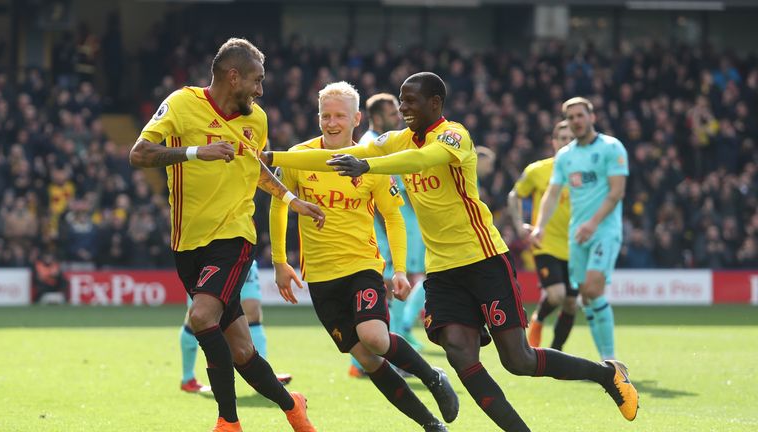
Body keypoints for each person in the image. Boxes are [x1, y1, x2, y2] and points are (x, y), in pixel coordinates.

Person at [262, 73, 638, 430]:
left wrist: (368, 164)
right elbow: (335, 156)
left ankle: (606, 374)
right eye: (401, 102)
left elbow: (422, 160)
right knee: (460, 354)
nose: (403, 109)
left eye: (410, 101)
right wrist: (274, 157)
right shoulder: (398, 139)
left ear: (435, 102)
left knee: (518, 360)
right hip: (441, 268)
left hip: (483, 257)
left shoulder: (454, 136)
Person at [129, 38, 324, 432]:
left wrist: (291, 198)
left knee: (202, 317)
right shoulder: (183, 104)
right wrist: (194, 152)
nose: (261, 90)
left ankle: (228, 422)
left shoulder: (258, 120)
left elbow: (257, 170)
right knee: (241, 351)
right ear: (233, 77)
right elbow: (139, 153)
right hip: (187, 243)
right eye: (257, 80)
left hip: (235, 237)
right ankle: (293, 407)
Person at [269, 81, 457, 432]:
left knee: (374, 337)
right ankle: (430, 425)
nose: (332, 122)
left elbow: (393, 216)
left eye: (340, 115)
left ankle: (433, 378)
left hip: (362, 267)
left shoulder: (371, 162)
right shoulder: (298, 157)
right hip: (321, 278)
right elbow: (279, 205)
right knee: (368, 361)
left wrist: (399, 269)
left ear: (356, 118)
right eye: (326, 115)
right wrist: (280, 261)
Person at [532, 97, 629, 362]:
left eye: (580, 115)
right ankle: (607, 363)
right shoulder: (565, 156)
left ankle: (612, 363)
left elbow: (617, 191)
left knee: (593, 291)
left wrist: (593, 223)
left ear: (591, 117)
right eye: (571, 117)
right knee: (585, 298)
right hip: (578, 234)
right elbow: (552, 195)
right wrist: (540, 226)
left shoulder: (611, 148)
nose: (576, 121)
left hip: (603, 230)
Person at [348, 93, 427, 380]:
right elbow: (380, 203)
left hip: (394, 231)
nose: (398, 117)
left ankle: (367, 362)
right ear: (377, 117)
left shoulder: (387, 144)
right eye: (393, 113)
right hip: (380, 235)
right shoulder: (371, 147)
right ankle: (377, 361)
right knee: (383, 295)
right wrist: (389, 245)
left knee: (388, 296)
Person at [508, 120, 577, 351]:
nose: (567, 142)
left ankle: (556, 353)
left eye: (572, 138)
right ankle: (538, 320)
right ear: (554, 142)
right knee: (557, 295)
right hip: (544, 241)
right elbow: (514, 195)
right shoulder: (538, 170)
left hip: (576, 245)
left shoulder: (585, 173)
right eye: (563, 138)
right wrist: (519, 225)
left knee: (571, 303)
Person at [179, 261, 291, 393]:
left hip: (242, 255)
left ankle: (265, 376)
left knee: (253, 312)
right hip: (208, 258)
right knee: (199, 318)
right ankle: (188, 378)